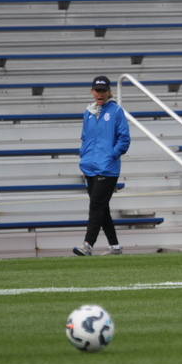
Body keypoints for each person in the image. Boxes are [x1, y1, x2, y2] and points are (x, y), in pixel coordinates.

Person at [73, 76, 131, 256]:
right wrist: (83, 153)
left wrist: (111, 155)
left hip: (107, 167)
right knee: (102, 207)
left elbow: (124, 139)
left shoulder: (116, 111)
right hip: (90, 166)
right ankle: (114, 247)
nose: (101, 94)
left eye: (104, 91)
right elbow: (85, 137)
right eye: (97, 91)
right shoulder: (88, 112)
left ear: (109, 92)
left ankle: (88, 244)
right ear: (92, 91)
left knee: (96, 205)